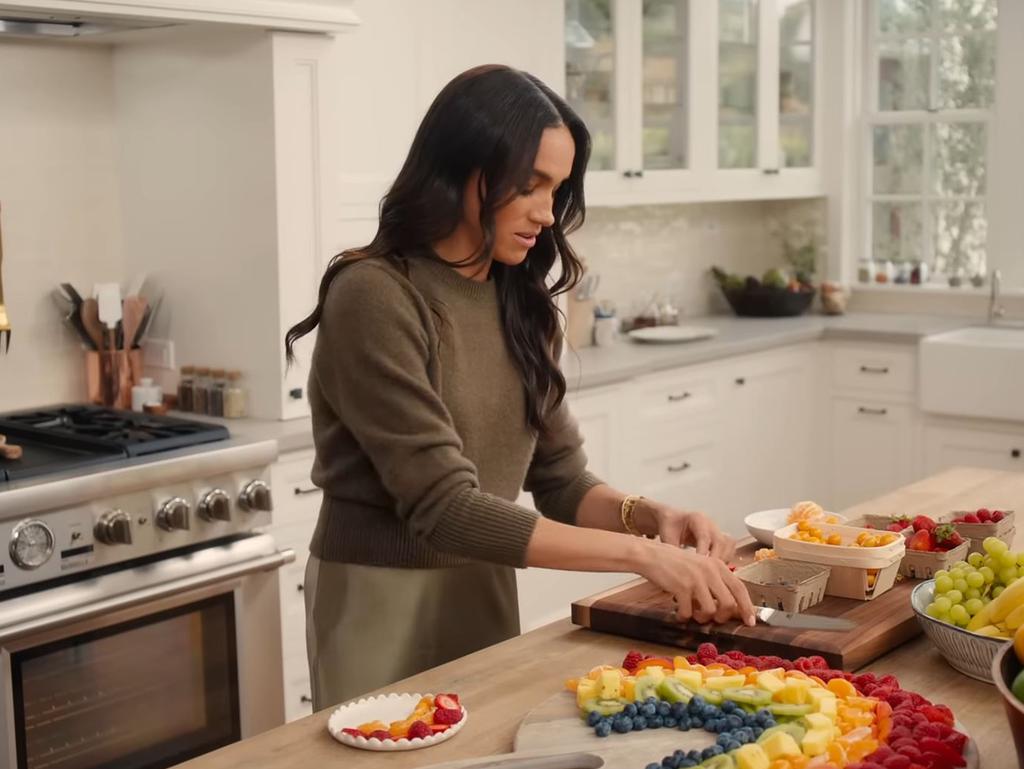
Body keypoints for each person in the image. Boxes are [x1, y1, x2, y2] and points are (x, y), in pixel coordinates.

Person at [284, 64, 756, 709]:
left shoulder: (521, 300)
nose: (547, 212)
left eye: (557, 190)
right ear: (460, 168)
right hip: (377, 594)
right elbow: (444, 507)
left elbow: (561, 480)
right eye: (529, 185)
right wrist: (643, 559)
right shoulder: (375, 294)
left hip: (483, 584)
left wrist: (653, 519)